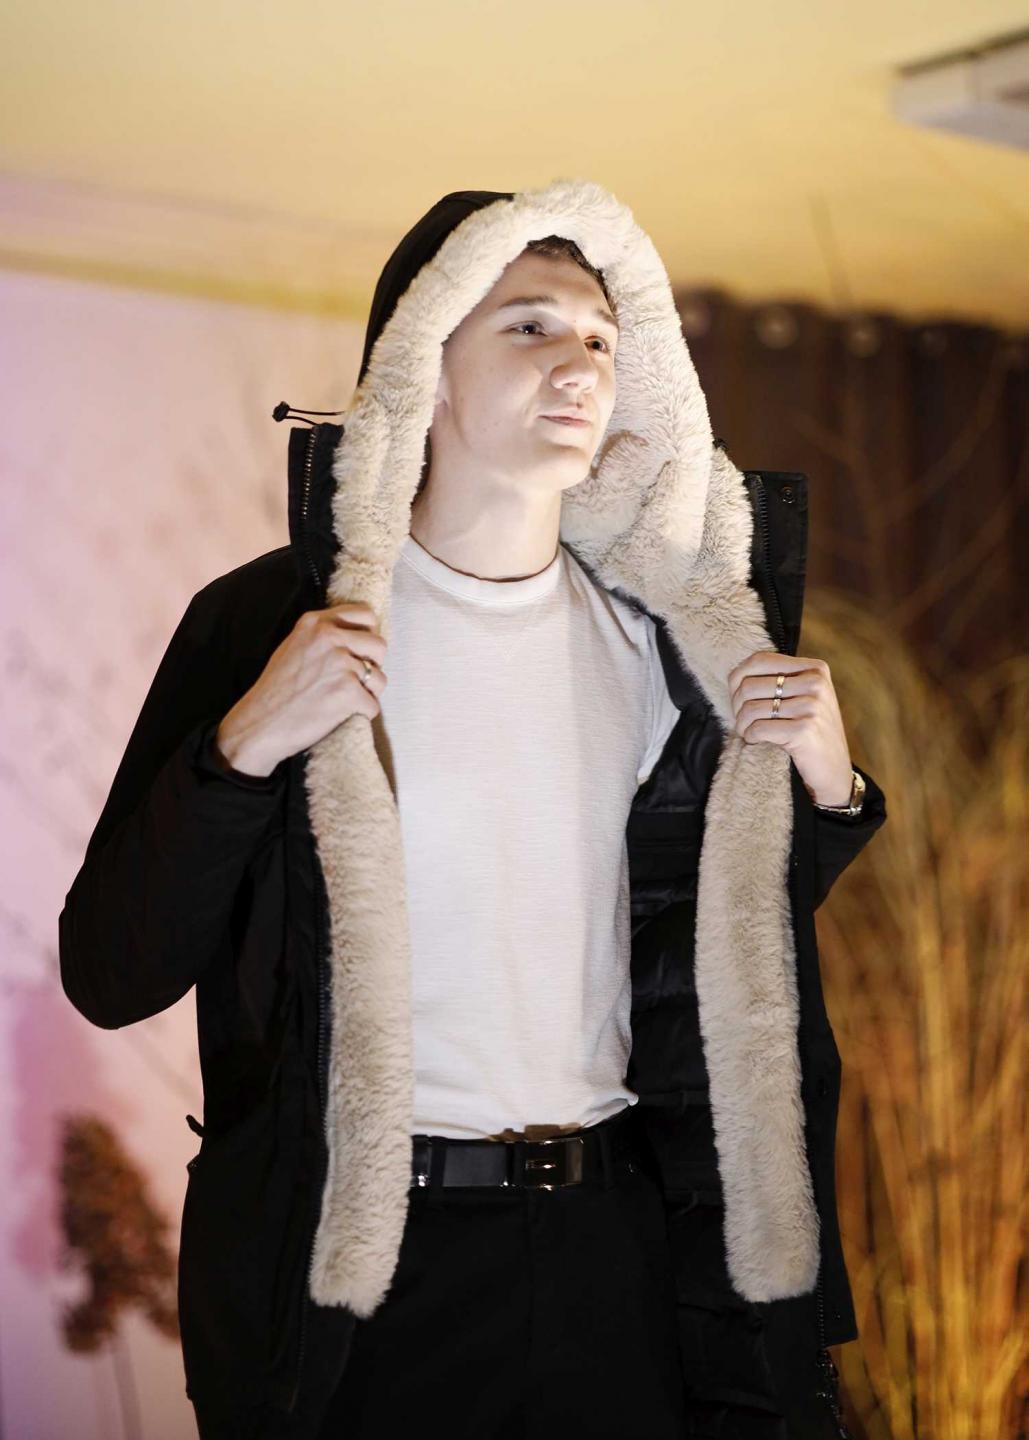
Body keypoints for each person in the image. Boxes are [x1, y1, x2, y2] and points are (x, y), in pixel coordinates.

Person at [59, 179, 888, 1440]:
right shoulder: (269, 625)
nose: (580, 364)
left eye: (602, 337)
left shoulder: (674, 645)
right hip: (367, 1275)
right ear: (422, 368)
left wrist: (832, 790)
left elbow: (699, 944)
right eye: (530, 326)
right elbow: (113, 970)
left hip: (614, 1254)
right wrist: (245, 747)